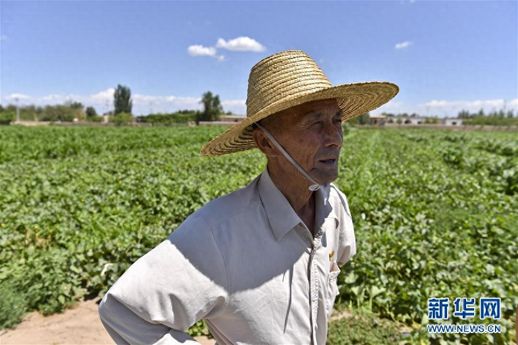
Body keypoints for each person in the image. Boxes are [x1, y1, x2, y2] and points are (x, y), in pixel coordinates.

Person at [98, 49, 398, 345]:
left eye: (337, 121)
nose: (335, 138)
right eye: (315, 123)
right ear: (266, 143)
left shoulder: (334, 207)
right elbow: (124, 311)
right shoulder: (218, 234)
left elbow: (339, 259)